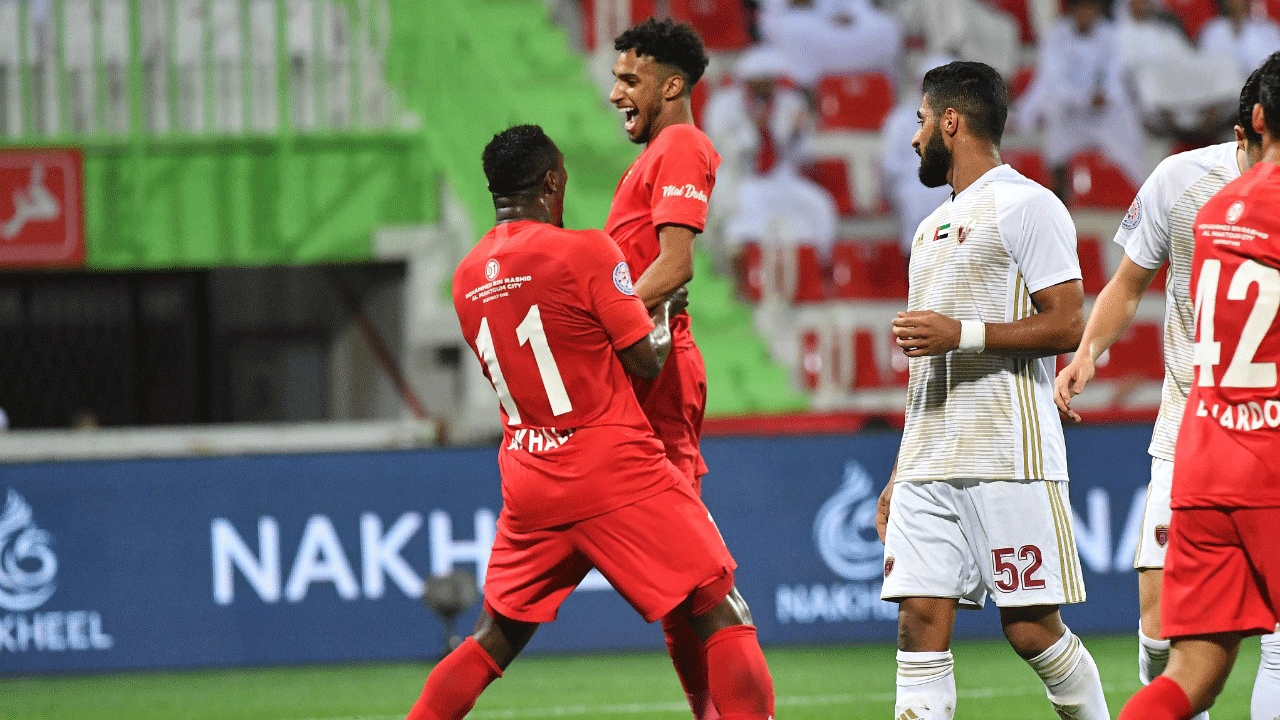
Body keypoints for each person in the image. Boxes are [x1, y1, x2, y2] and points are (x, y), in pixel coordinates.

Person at [404, 124, 775, 720]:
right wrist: (662, 312)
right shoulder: (585, 251)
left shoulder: (466, 277)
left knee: (493, 636)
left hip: (529, 477)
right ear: (552, 182)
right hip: (612, 466)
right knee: (719, 605)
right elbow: (647, 361)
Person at [875, 61, 1110, 720]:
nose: (915, 137)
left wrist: (962, 334)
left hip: (1007, 455)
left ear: (951, 121)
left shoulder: (1029, 205)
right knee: (917, 622)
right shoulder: (927, 230)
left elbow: (1068, 322)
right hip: (928, 464)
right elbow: (927, 367)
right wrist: (899, 471)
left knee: (1031, 629)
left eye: (922, 121)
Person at [1055, 61, 1280, 720]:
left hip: (1210, 439)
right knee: (1159, 633)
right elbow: (1127, 283)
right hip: (1209, 428)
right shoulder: (1181, 180)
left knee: (1198, 667)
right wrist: (1087, 351)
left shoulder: (1217, 213)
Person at [605, 18, 752, 720]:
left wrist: (603, 326)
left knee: (694, 575)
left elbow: (675, 264)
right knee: (673, 579)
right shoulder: (655, 154)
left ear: (671, 86)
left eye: (628, 80)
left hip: (661, 372)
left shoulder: (682, 145)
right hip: (643, 369)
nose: (615, 93)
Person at [1017, 0, 1148, 198]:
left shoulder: (1111, 36)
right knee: (1054, 112)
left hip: (1103, 115)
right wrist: (1085, 98)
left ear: (1098, 11)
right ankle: (1057, 185)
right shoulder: (1056, 36)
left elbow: (1115, 80)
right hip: (1069, 113)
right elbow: (1053, 82)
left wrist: (1105, 96)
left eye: (1090, 9)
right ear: (1072, 10)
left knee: (1127, 121)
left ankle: (1141, 192)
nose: (1085, 14)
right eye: (1081, 9)